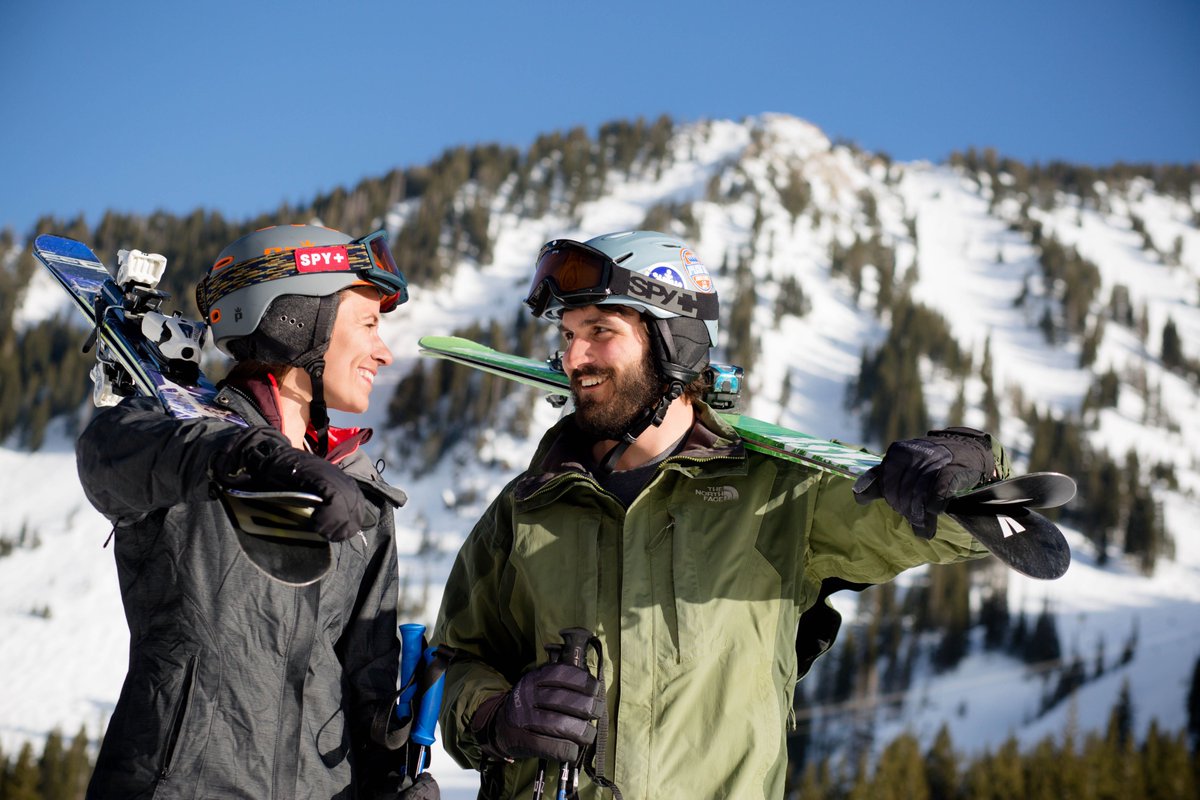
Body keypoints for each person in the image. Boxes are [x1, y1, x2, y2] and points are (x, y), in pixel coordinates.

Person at [432, 230, 1010, 799]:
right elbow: (457, 657)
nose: (572, 358)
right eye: (567, 334)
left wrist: (966, 465)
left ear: (672, 343)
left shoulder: (779, 498)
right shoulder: (527, 507)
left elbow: (950, 531)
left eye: (600, 332)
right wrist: (494, 716)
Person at [76, 224, 438, 799]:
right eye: (368, 323)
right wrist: (252, 457)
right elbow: (106, 455)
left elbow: (366, 694)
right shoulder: (189, 445)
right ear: (298, 319)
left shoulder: (363, 501)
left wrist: (384, 788)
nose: (384, 350)